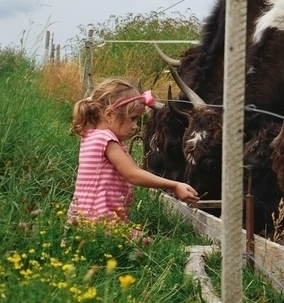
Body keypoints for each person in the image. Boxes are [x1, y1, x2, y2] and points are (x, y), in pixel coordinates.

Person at [68, 78, 199, 227]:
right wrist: (174, 185)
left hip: (85, 219)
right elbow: (133, 174)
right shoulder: (106, 139)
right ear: (109, 114)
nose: (135, 126)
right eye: (133, 119)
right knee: (144, 246)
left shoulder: (92, 136)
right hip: (99, 221)